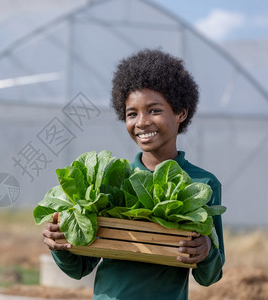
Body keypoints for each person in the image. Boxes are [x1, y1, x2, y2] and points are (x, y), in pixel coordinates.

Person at [42, 49, 225, 299]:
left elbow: (209, 277)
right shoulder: (108, 181)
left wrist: (206, 251)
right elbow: (80, 268)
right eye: (132, 113)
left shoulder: (202, 183)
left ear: (181, 112)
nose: (141, 122)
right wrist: (60, 244)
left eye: (154, 110)